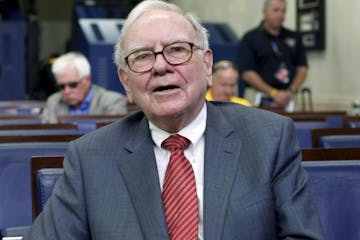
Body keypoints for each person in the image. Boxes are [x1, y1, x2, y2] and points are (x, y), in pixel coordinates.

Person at [24, 0, 324, 239]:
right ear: (126, 82)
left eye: (177, 50)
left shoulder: (269, 138)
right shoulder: (89, 158)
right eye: (142, 56)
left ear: (207, 65)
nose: (160, 66)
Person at [238, 0, 308, 111]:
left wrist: (290, 91)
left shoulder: (295, 37)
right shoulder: (250, 38)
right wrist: (273, 93)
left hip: (289, 97)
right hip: (258, 96)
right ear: (264, 12)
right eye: (276, 10)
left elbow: (302, 69)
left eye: (283, 11)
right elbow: (247, 73)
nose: (280, 15)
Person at [41, 51, 128, 123]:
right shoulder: (53, 102)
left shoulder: (111, 101)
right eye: (61, 86)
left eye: (72, 85)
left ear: (87, 80)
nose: (67, 91)